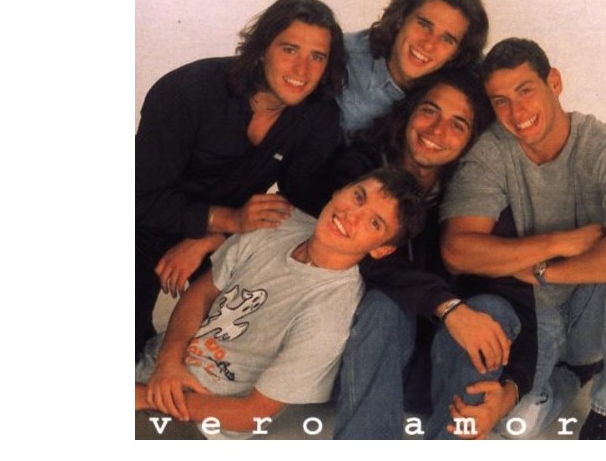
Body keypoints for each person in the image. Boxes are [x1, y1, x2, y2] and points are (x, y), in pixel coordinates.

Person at [314, 67, 539, 439]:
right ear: (409, 112)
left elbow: (520, 303)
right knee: (384, 304)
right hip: (360, 364)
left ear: (471, 141)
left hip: (443, 373)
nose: (437, 130)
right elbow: (363, 257)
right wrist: (447, 306)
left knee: (493, 309)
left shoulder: (477, 201)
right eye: (430, 111)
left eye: (457, 124)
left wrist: (510, 392)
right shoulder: (360, 171)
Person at [433, 37, 606, 440]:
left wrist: (546, 272)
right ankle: (576, 376)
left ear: (554, 82)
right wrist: (558, 243)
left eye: (525, 90)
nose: (517, 111)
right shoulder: (491, 152)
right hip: (531, 314)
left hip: (589, 305)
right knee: (515, 427)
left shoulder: (602, 146)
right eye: (501, 101)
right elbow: (457, 250)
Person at [135, 0, 348, 360]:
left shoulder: (316, 114)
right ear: (262, 48)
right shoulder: (187, 91)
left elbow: (303, 200)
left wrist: (214, 236)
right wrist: (226, 219)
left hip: (219, 238)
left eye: (317, 57)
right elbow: (137, 197)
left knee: (228, 348)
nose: (302, 70)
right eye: (290, 50)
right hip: (140, 226)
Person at [135, 169, 426, 436]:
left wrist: (148, 397)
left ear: (381, 250)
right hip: (148, 367)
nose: (352, 216)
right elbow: (202, 292)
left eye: (374, 223)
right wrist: (168, 362)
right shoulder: (279, 222)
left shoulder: (329, 316)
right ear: (341, 190)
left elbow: (252, 414)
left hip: (191, 422)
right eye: (358, 197)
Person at [338, 0, 489, 138]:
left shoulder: (470, 82)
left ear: (457, 52)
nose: (428, 44)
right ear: (400, 19)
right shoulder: (341, 55)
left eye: (447, 39)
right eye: (424, 25)